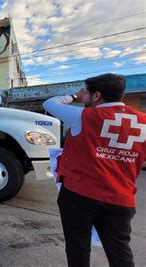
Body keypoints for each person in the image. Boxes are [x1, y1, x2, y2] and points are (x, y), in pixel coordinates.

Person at [43, 73, 145, 267]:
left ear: (96, 96)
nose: (85, 98)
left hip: (79, 196)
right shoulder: (143, 122)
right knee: (120, 253)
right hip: (121, 199)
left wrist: (73, 97)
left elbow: (50, 104)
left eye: (87, 94)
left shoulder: (84, 116)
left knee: (78, 248)